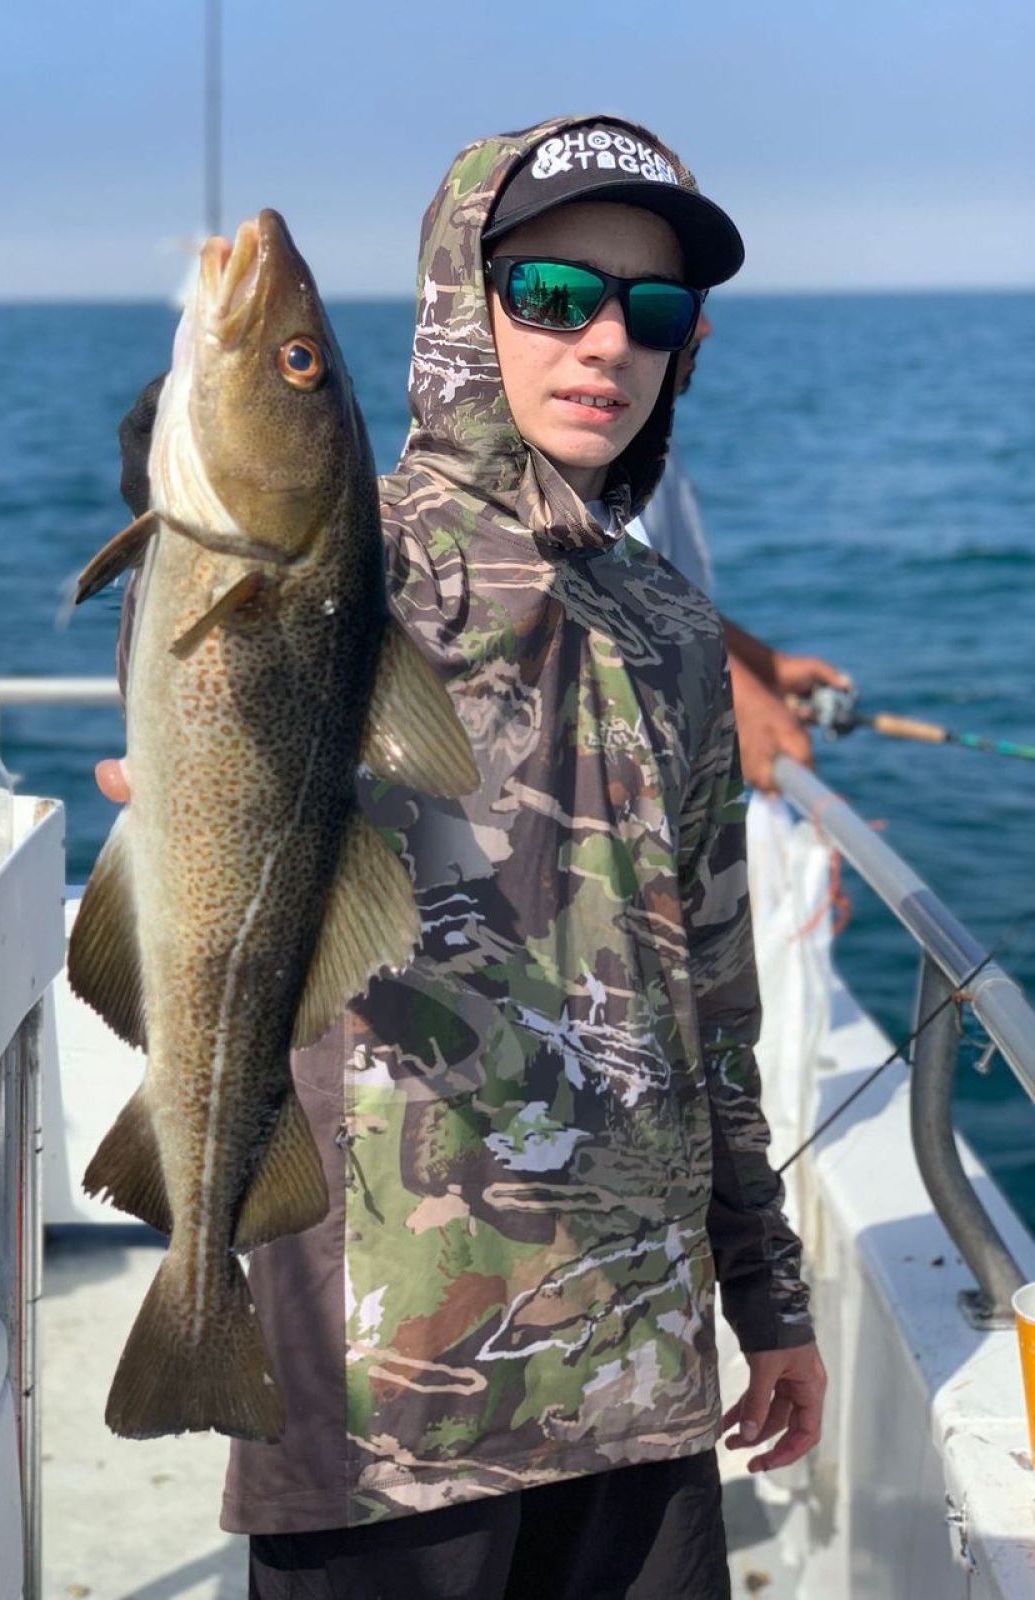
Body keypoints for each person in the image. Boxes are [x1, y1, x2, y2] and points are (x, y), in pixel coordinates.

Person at [100, 114, 826, 1600]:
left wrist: (772, 1300)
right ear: (459, 305)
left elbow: (718, 1005)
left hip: (640, 1378)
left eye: (656, 310)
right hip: (386, 1402)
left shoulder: (677, 633)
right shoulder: (356, 560)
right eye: (554, 294)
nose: (606, 343)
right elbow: (224, 549)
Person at [639, 314, 852, 793]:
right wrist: (739, 695)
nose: (706, 330)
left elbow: (658, 593)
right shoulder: (600, 456)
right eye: (670, 303)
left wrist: (767, 665)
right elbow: (607, 595)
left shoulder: (654, 440)